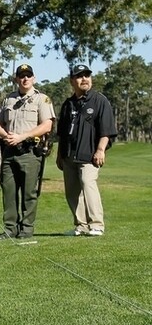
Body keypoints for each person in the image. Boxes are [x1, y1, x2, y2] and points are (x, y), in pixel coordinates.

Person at [0, 64, 55, 239]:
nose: (25, 79)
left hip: (29, 151)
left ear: (33, 79)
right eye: (22, 76)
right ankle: (10, 228)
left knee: (29, 193)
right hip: (9, 151)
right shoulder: (8, 100)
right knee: (8, 191)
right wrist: (6, 135)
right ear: (16, 79)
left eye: (28, 75)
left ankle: (27, 228)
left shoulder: (41, 99)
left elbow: (47, 125)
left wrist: (22, 137)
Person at [56, 64, 117, 237]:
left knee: (88, 185)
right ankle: (81, 226)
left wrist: (100, 150)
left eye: (87, 76)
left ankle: (97, 225)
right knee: (72, 192)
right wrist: (60, 155)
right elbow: (62, 132)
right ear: (72, 81)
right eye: (80, 76)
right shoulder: (68, 104)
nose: (84, 79)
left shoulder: (99, 100)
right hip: (69, 154)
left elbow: (107, 129)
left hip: (89, 155)